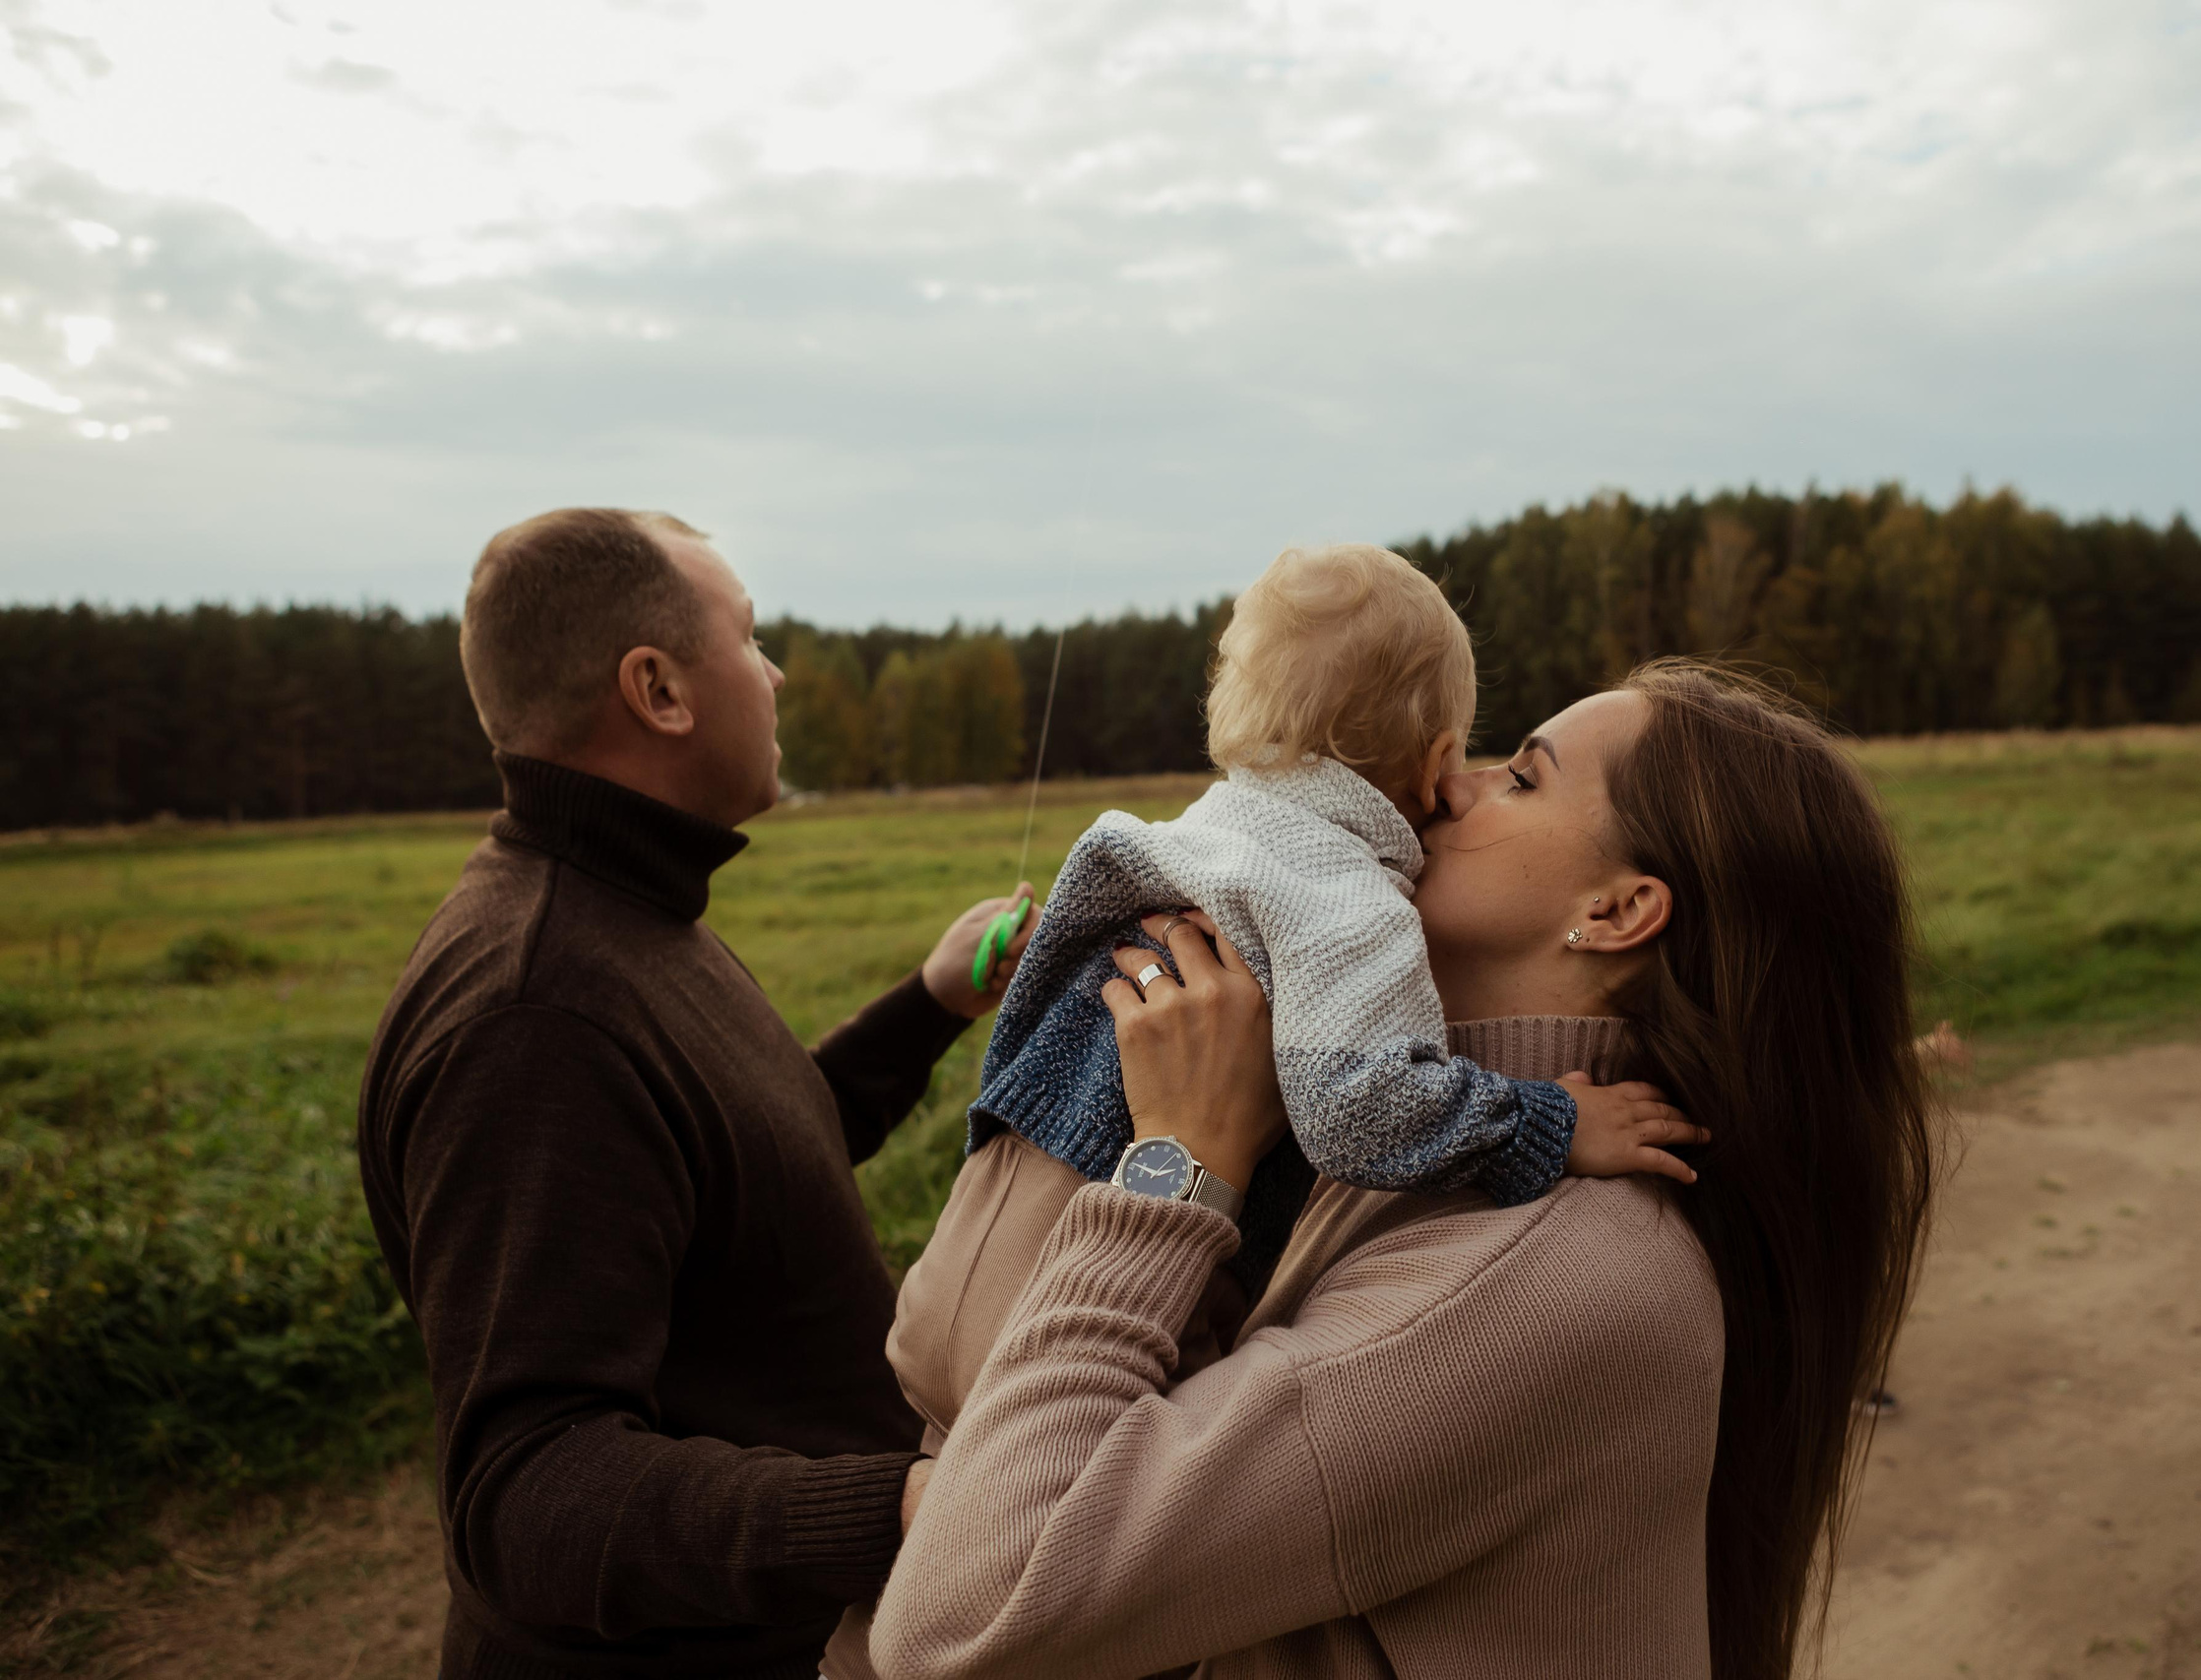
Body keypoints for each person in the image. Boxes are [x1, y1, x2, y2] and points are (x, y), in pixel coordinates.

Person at [859, 660, 1937, 1680]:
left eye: (1520, 777)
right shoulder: (1388, 1148)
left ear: (1616, 912)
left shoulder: (1533, 1277)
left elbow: (963, 1617)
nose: (1450, 785)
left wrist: (1174, 1165)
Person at [356, 508, 1035, 1680]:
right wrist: (902, 1508)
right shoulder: (536, 1017)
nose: (776, 676)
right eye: (751, 638)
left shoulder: (621, 910)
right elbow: (528, 1494)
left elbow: (745, 1161)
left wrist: (931, 1003)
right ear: (658, 690)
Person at [952, 542, 1689, 1348]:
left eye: (1519, 779)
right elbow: (1356, 1112)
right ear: (1434, 765)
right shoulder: (1352, 904)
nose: (1463, 790)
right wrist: (1545, 1124)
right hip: (1091, 1287)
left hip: (975, 1229)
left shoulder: (1197, 835)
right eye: (1497, 767)